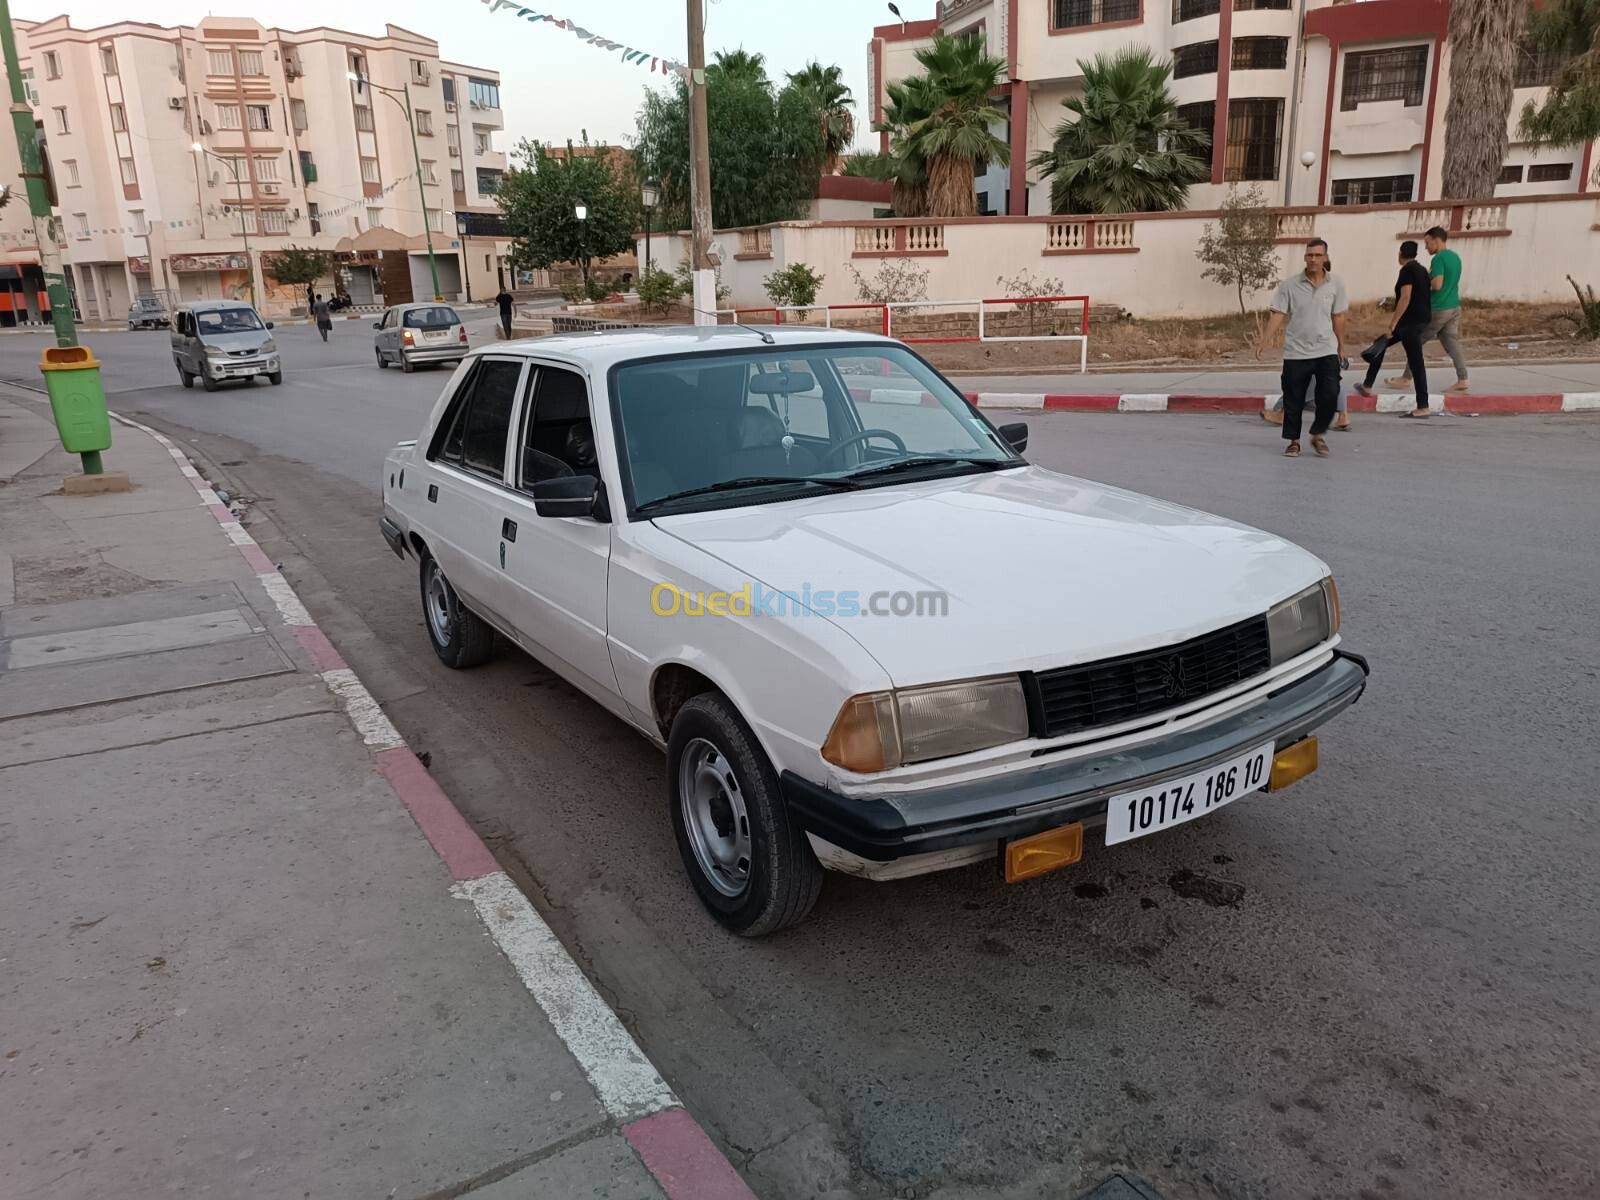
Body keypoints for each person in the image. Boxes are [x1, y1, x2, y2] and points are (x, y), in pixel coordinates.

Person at [1258, 239, 1347, 458]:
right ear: (1305, 258)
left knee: (1330, 394)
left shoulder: (1336, 284)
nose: (1313, 259)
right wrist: (1264, 340)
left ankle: (1317, 434)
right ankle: (1293, 441)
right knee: (1293, 399)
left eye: (1318, 255)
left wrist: (1342, 347)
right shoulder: (1290, 285)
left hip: (1326, 349)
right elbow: (1278, 313)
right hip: (1296, 352)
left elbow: (1339, 317)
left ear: (1325, 257)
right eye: (1309, 255)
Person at [1354, 240, 1431, 418]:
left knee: (1416, 363)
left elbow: (1405, 297)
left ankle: (1423, 405)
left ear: (1401, 253)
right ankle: (1367, 385)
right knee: (1381, 343)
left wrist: (1393, 322)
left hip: (1408, 322)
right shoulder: (1422, 270)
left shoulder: (1407, 270)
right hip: (1420, 320)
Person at [1387, 225, 1468, 394]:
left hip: (1439, 308)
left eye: (1427, 243)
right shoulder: (1455, 257)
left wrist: (1423, 285)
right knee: (1451, 342)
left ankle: (1406, 378)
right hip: (1454, 306)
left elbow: (1437, 284)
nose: (1426, 247)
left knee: (1415, 341)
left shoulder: (1438, 259)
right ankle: (1463, 378)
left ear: (1436, 240)